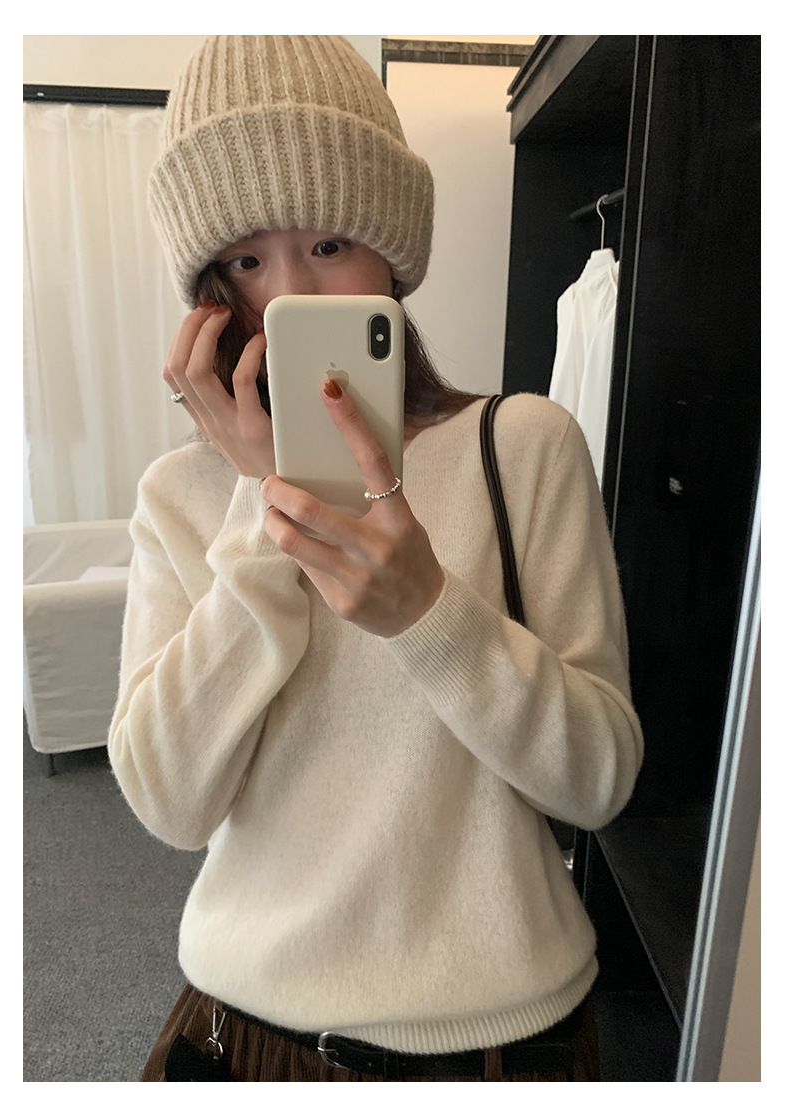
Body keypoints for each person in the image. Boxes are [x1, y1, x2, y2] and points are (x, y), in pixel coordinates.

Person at [108, 35, 644, 1083]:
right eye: (247, 261)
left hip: (501, 1040)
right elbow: (169, 801)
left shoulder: (522, 446)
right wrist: (264, 508)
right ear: (206, 295)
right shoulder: (180, 496)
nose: (292, 296)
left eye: (329, 242)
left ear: (391, 249)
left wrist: (428, 612)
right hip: (243, 1032)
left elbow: (598, 780)